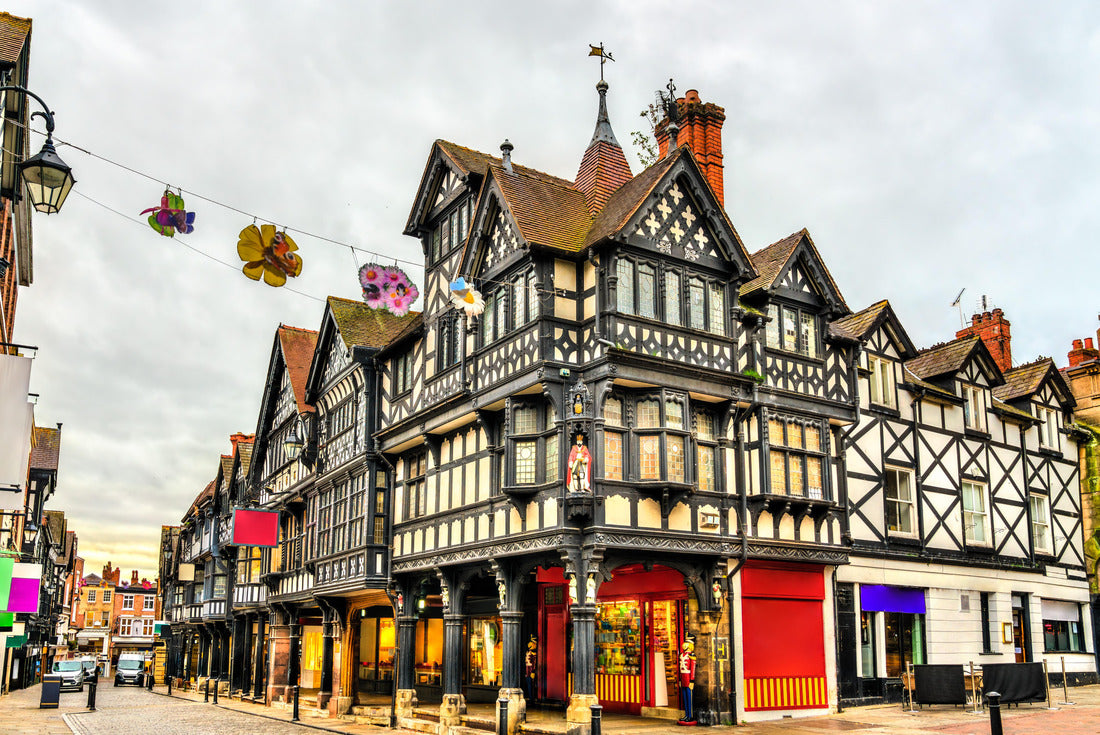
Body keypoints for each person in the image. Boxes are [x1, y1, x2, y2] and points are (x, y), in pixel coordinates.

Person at [678, 638, 697, 725]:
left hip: (688, 678)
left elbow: (693, 669)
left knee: (690, 697)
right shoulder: (682, 655)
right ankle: (686, 715)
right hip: (683, 677)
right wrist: (679, 679)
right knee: (685, 697)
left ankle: (690, 715)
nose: (684, 644)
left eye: (686, 643)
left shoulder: (691, 655)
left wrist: (692, 680)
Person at [523, 635, 537, 700]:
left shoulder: (533, 653)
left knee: (531, 685)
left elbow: (534, 662)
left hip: (530, 670)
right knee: (528, 684)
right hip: (527, 670)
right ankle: (530, 696)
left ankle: (532, 698)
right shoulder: (529, 651)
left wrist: (533, 671)